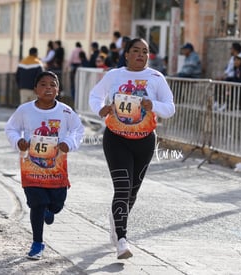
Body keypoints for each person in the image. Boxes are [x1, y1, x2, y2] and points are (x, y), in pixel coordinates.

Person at [89, 38, 175, 259]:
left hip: (144, 140)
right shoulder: (114, 75)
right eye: (136, 51)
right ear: (126, 54)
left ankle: (115, 221)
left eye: (145, 52)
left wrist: (152, 105)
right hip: (116, 138)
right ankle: (122, 240)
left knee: (132, 192)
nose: (141, 55)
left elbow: (170, 108)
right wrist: (101, 109)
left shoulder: (156, 77)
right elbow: (95, 95)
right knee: (122, 188)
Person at [5, 71, 84, 260]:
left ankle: (51, 210)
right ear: (35, 89)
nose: (48, 88)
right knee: (37, 204)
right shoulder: (25, 110)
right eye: (43, 84)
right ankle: (37, 243)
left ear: (58, 89)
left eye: (52, 84)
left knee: (57, 204)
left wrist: (69, 144)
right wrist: (18, 141)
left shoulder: (65, 111)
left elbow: (78, 130)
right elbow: (11, 128)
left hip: (56, 169)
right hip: (31, 167)